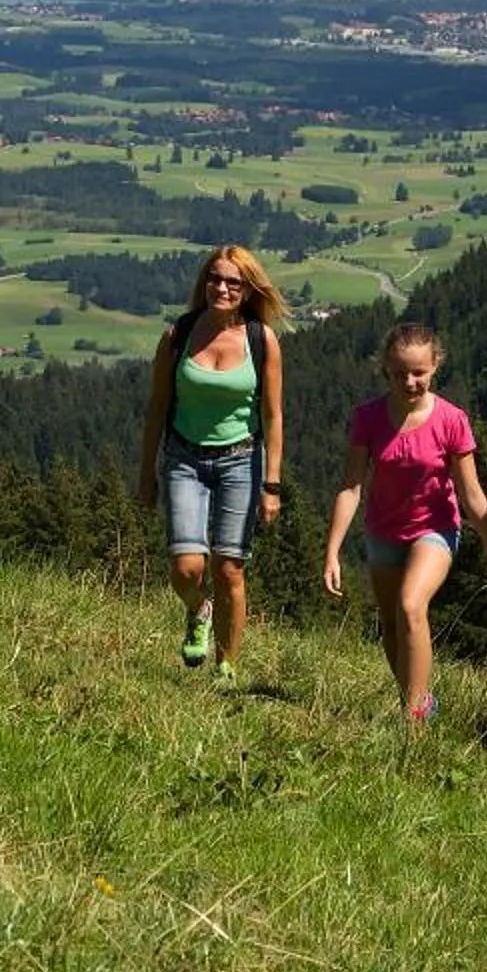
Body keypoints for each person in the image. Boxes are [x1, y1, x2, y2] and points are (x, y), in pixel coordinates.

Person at [323, 322, 487, 725]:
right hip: (383, 532)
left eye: (418, 372)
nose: (409, 381)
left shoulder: (451, 420)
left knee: (410, 605)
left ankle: (415, 718)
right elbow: (351, 486)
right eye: (399, 372)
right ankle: (416, 696)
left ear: (435, 366)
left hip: (435, 529)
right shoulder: (368, 418)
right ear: (385, 370)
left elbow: (472, 496)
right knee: (390, 625)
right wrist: (332, 551)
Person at [136, 246, 287, 685]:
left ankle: (227, 665)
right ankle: (198, 609)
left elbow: (273, 416)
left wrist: (272, 484)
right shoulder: (178, 335)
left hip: (242, 460)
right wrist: (147, 472)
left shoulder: (261, 340)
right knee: (187, 568)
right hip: (184, 458)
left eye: (233, 282)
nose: (222, 288)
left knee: (229, 568)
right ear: (205, 282)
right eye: (215, 279)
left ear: (247, 290)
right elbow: (157, 406)